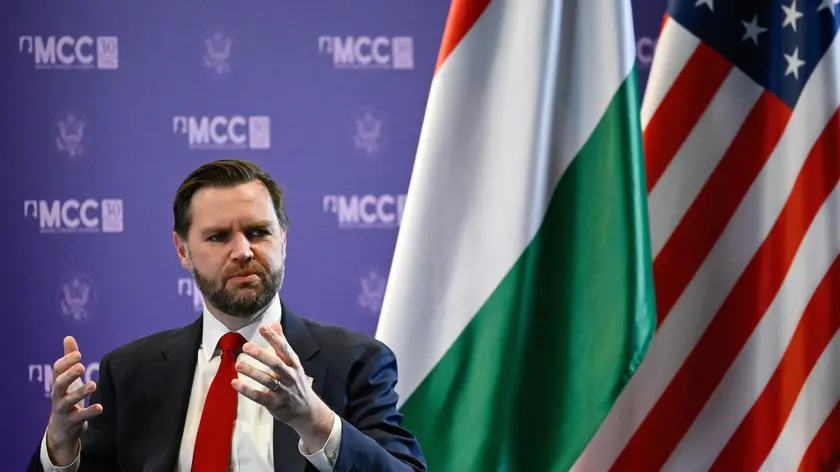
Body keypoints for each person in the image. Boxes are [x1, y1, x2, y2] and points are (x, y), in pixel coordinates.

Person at [27, 159, 427, 472]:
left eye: (258, 232)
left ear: (283, 241)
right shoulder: (129, 372)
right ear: (182, 251)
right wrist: (60, 448)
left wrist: (315, 419)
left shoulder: (355, 362)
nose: (243, 251)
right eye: (218, 237)